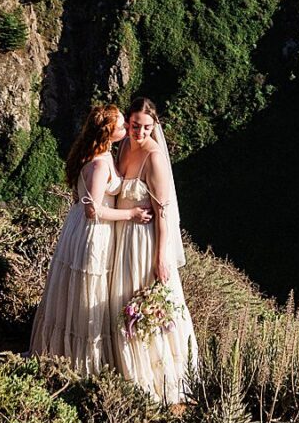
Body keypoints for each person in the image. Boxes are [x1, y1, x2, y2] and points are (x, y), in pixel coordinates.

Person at [28, 103, 152, 373]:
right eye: (122, 126)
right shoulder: (98, 163)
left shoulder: (103, 154)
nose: (126, 128)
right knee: (87, 293)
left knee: (78, 291)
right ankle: (79, 363)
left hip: (84, 229)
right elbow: (93, 210)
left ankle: (65, 354)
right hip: (92, 232)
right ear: (109, 132)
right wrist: (131, 213)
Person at [106, 97, 198, 402]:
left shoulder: (155, 158)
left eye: (146, 127)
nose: (139, 132)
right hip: (122, 239)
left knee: (149, 307)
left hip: (144, 244)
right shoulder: (124, 147)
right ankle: (127, 368)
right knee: (124, 304)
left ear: (154, 126)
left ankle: (159, 378)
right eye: (134, 125)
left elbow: (163, 214)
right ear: (128, 123)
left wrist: (161, 258)